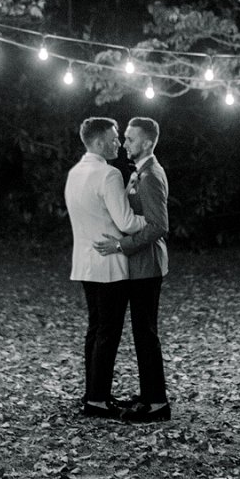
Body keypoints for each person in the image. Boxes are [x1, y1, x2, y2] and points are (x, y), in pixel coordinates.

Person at [64, 117, 147, 420]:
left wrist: (125, 195)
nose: (118, 143)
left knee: (95, 330)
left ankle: (93, 393)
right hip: (110, 264)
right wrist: (148, 222)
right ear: (99, 142)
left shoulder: (75, 173)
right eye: (113, 138)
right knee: (107, 333)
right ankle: (98, 400)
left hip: (85, 262)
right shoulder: (109, 174)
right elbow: (124, 222)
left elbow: (99, 212)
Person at [94, 117, 170, 423]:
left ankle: (157, 405)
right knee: (142, 333)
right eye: (124, 137)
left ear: (148, 142)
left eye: (131, 139)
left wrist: (120, 246)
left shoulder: (150, 175)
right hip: (140, 266)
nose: (125, 143)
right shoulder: (141, 171)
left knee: (146, 334)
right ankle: (150, 395)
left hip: (146, 266)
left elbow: (159, 226)